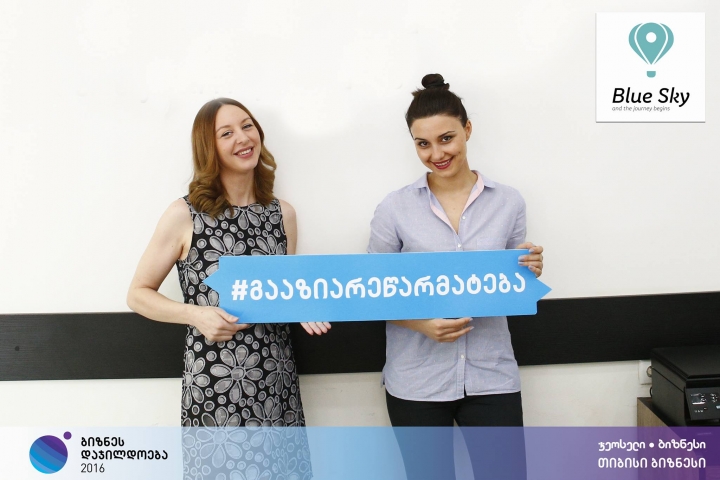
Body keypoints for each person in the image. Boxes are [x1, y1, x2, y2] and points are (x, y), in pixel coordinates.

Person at [127, 98, 328, 480]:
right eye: (227, 133)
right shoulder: (184, 215)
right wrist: (195, 314)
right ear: (209, 148)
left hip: (277, 380)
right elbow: (138, 293)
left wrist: (301, 306)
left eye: (247, 126)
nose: (243, 138)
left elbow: (282, 294)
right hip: (216, 384)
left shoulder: (282, 214)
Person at [367, 74, 544, 480]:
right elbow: (373, 293)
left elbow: (512, 283)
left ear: (467, 129)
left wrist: (529, 270)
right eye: (423, 144)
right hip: (416, 380)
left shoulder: (509, 202)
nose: (436, 154)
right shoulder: (394, 208)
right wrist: (421, 324)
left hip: (491, 375)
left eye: (446, 138)